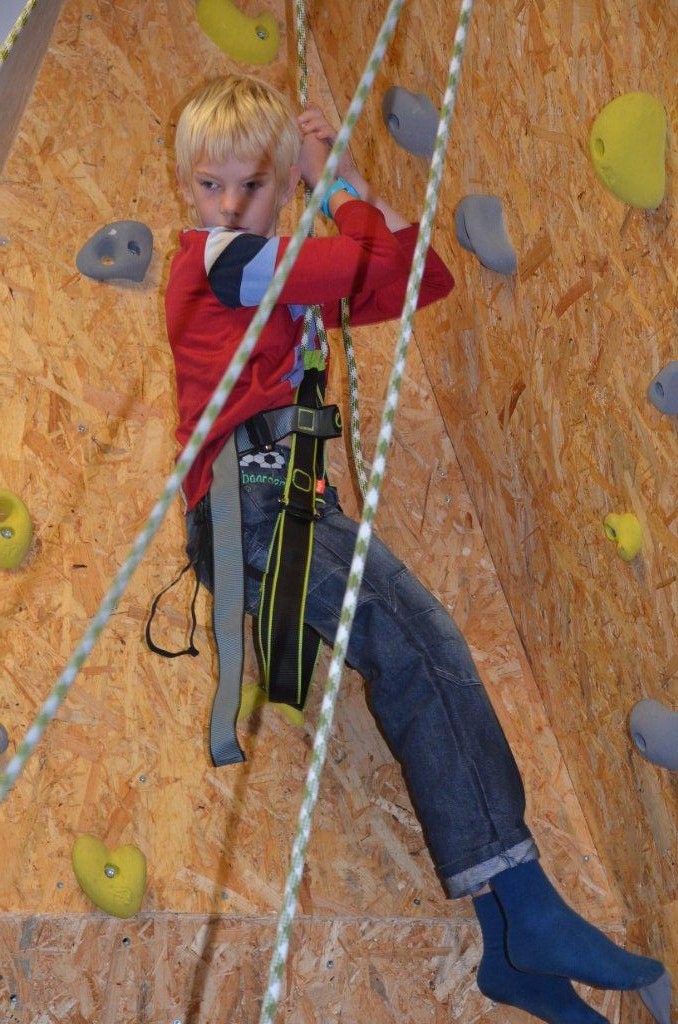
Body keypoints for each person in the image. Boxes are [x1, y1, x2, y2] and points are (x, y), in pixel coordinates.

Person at [163, 74, 668, 1024]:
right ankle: (530, 909)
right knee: (419, 645)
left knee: (422, 654)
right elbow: (367, 261)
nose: (228, 205)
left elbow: (421, 275)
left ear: (279, 185)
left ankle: (509, 945)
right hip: (252, 504)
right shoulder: (221, 260)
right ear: (189, 189)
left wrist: (342, 178)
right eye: (209, 185)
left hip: (288, 502)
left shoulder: (278, 285)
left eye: (253, 185)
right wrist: (332, 182)